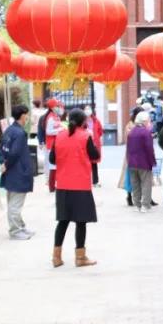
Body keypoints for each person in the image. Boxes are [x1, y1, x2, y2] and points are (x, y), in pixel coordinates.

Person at [50, 108, 101, 268]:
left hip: (63, 184)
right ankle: (80, 257)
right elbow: (95, 156)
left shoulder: (59, 136)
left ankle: (56, 257)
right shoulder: (86, 136)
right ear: (83, 121)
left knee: (62, 221)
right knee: (80, 222)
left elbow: (52, 158)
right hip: (80, 184)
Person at [0, 104, 35, 241]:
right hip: (18, 172)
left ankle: (20, 227)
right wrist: (6, 164)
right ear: (22, 115)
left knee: (13, 201)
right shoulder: (19, 133)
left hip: (11, 172)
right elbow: (14, 153)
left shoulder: (10, 130)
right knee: (15, 204)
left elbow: (2, 148)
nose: (28, 116)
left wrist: (3, 163)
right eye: (27, 114)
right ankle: (15, 231)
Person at [127, 111, 157, 212]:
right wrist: (152, 161)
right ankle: (145, 205)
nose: (150, 122)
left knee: (135, 185)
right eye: (148, 120)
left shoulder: (132, 131)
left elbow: (128, 148)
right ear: (144, 121)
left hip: (132, 162)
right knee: (146, 184)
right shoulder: (146, 132)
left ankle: (137, 205)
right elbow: (149, 148)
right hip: (144, 162)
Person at [40, 98, 64, 193]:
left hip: (56, 143)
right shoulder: (50, 117)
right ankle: (51, 187)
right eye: (57, 106)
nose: (59, 107)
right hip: (51, 145)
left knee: (56, 166)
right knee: (52, 166)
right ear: (53, 107)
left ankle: (55, 185)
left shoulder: (55, 116)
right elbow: (48, 132)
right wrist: (59, 131)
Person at [84, 106, 103, 187]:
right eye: (86, 109)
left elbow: (100, 131)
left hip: (94, 143)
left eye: (89, 109)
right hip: (85, 143)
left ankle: (95, 181)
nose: (88, 110)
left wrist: (96, 137)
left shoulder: (96, 120)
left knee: (94, 163)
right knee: (86, 163)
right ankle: (86, 180)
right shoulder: (82, 120)